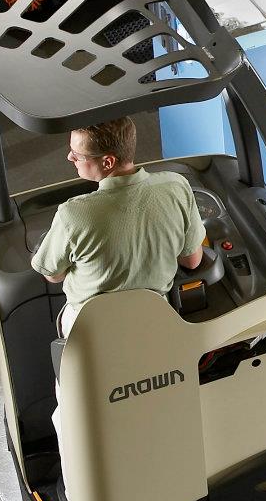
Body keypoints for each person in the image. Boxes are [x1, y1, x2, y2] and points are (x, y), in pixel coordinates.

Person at [32, 116, 207, 343]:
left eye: (78, 154)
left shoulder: (72, 214)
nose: (70, 157)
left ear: (107, 162)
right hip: (155, 322)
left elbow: (52, 274)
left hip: (92, 331)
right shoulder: (176, 187)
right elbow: (192, 261)